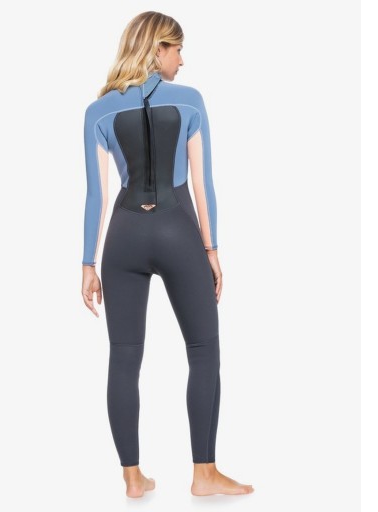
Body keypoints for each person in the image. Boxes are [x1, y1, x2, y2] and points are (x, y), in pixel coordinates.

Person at [81, 11, 254, 498]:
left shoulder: (98, 111)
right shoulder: (190, 100)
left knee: (123, 355)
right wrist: (211, 249)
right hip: (178, 233)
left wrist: (88, 263)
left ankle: (132, 478)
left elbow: (96, 195)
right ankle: (204, 473)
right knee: (203, 349)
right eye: (177, 48)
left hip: (123, 239)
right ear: (158, 49)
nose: (182, 59)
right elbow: (202, 185)